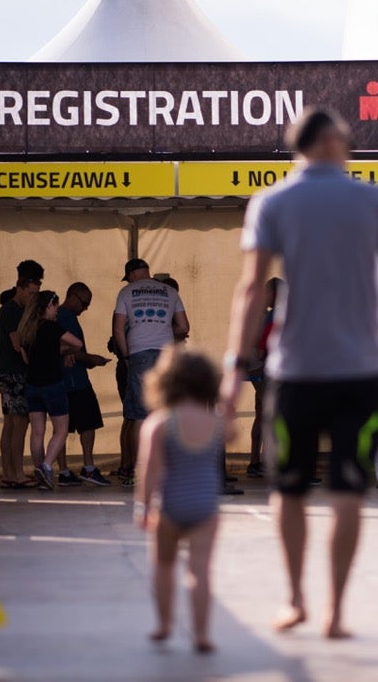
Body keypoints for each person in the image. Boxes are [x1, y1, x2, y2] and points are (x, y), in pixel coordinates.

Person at [220, 108, 378, 639]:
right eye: (344, 134)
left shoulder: (272, 202)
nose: (350, 141)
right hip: (359, 373)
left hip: (294, 372)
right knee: (347, 491)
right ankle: (336, 612)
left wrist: (233, 369)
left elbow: (251, 290)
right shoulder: (370, 199)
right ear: (326, 139)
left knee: (289, 489)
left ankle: (296, 598)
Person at [135, 346, 224, 652]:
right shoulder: (214, 422)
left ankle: (163, 624)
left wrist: (143, 506)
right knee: (199, 570)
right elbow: (234, 433)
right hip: (205, 506)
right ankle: (201, 634)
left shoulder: (159, 423)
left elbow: (150, 470)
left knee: (163, 565)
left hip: (170, 505)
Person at [113, 259, 190, 486]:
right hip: (166, 354)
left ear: (134, 275)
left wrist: (127, 356)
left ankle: (140, 470)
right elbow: (184, 327)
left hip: (139, 354)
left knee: (139, 414)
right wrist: (165, 329)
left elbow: (118, 329)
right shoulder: (169, 291)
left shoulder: (126, 292)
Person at [17, 290, 84, 490]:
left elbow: (26, 359)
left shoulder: (26, 330)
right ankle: (46, 466)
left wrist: (56, 352)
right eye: (55, 306)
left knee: (37, 432)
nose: (57, 310)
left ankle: (40, 474)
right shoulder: (52, 328)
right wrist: (64, 352)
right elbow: (78, 344)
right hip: (53, 384)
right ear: (49, 306)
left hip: (32, 385)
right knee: (61, 430)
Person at [54, 282, 113, 487]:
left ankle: (65, 470)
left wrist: (88, 360)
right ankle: (85, 467)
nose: (85, 308)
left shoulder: (66, 317)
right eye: (84, 303)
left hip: (71, 378)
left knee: (65, 427)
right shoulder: (62, 317)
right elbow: (66, 350)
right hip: (72, 381)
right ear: (71, 296)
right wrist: (90, 358)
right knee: (85, 424)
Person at [0, 259, 43, 489]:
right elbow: (17, 343)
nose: (33, 298)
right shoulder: (12, 311)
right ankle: (16, 473)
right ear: (20, 288)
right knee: (19, 422)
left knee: (10, 423)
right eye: (31, 293)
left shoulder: (12, 309)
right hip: (13, 372)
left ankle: (8, 473)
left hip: (7, 372)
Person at [244, 277, 282, 478]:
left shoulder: (261, 312)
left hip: (257, 368)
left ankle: (255, 462)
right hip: (261, 368)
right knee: (271, 413)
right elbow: (261, 347)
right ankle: (267, 461)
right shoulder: (265, 314)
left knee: (262, 413)